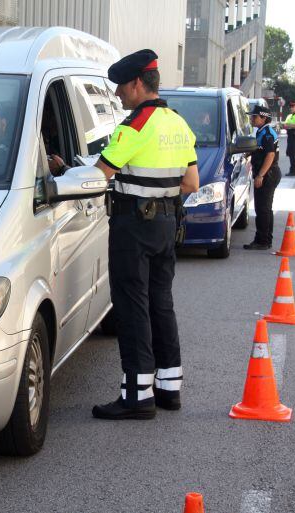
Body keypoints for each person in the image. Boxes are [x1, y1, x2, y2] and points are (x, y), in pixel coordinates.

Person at [91, 49, 200, 420]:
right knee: (160, 302)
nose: (118, 94)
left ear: (137, 83)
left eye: (121, 87)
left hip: (133, 226)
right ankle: (169, 388)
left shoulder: (135, 125)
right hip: (167, 224)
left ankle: (137, 395)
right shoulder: (178, 123)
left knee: (131, 304)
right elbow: (191, 182)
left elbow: (99, 174)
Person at [244, 105, 281, 250]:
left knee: (263, 209)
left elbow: (270, 155)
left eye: (254, 116)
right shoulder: (260, 132)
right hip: (265, 173)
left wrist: (261, 175)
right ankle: (262, 239)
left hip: (268, 174)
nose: (252, 119)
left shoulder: (267, 133)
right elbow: (259, 150)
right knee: (263, 209)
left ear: (264, 117)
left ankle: (263, 241)